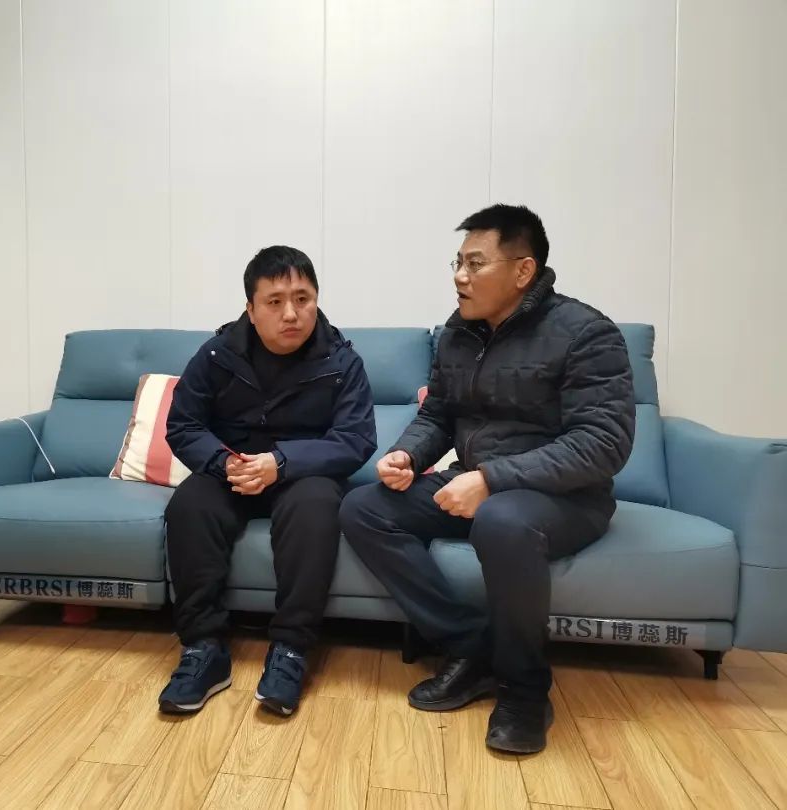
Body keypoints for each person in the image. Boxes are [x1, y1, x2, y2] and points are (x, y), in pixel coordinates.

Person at [340, 204, 635, 754]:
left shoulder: (586, 333)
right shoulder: (460, 332)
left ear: (523, 271)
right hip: (477, 484)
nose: (460, 276)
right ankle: (472, 647)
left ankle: (525, 690)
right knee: (363, 508)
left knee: (500, 519)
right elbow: (439, 415)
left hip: (564, 499)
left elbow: (603, 444)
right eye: (457, 262)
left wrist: (491, 480)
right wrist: (406, 456)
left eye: (475, 264)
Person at [159, 246, 377, 717]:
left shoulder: (342, 361)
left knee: (316, 507)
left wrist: (282, 462)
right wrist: (223, 463)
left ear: (316, 300)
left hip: (303, 474)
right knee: (189, 504)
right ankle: (203, 649)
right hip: (233, 468)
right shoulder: (217, 354)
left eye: (302, 298)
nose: (291, 313)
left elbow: (356, 439)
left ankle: (291, 651)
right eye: (275, 301)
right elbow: (183, 425)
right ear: (251, 309)